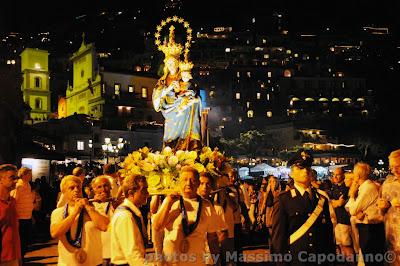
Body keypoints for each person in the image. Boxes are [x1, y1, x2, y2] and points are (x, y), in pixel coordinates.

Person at [271, 150, 335, 266]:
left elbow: (328, 234)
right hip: (295, 259)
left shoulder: (321, 199)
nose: (305, 171)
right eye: (300, 168)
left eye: (308, 168)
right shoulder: (283, 200)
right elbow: (278, 237)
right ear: (291, 173)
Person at [153, 166, 219, 265]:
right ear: (179, 182)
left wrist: (216, 261)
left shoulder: (206, 205)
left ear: (197, 183)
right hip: (172, 262)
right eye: (184, 180)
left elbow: (212, 237)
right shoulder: (170, 201)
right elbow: (157, 226)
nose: (188, 183)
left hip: (196, 262)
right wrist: (168, 204)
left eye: (192, 180)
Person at [152, 25, 202, 151]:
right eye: (169, 63)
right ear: (166, 65)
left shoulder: (184, 76)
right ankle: (171, 149)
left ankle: (188, 146)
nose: (171, 65)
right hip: (169, 112)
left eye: (173, 63)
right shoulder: (163, 80)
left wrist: (190, 98)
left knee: (189, 106)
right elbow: (157, 97)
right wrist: (168, 90)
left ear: (177, 63)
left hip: (183, 110)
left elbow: (192, 91)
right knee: (170, 137)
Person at [50, 175, 109, 266]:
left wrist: (88, 207)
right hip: (67, 263)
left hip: (94, 263)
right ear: (64, 192)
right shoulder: (58, 212)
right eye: (72, 188)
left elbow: (104, 226)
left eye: (78, 187)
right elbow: (55, 233)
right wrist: (74, 213)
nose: (76, 190)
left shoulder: (94, 208)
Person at [346, 162, 385, 266]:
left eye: (353, 173)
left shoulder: (368, 188)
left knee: (371, 260)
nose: (352, 175)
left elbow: (353, 210)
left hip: (371, 229)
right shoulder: (365, 187)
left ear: (358, 175)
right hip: (368, 227)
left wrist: (352, 195)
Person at [110, 174, 153, 265]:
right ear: (130, 193)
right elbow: (132, 254)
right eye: (144, 190)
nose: (148, 194)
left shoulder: (133, 212)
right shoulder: (125, 216)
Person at [377, 149, 400, 265]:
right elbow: (380, 211)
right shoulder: (387, 184)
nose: (395, 170)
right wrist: (382, 207)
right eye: (392, 167)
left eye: (399, 166)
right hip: (392, 238)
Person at [10, 167, 34, 258]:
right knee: (21, 241)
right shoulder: (18, 186)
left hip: (27, 216)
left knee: (26, 240)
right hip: (20, 218)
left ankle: (21, 258)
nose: (31, 176)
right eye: (29, 174)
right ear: (23, 175)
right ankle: (19, 259)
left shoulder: (27, 185)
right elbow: (13, 201)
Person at [330, 168, 354, 258]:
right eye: (334, 174)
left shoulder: (346, 187)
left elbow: (340, 203)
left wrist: (334, 202)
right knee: (340, 245)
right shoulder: (335, 187)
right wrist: (334, 202)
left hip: (344, 220)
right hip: (337, 220)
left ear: (343, 175)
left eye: (338, 174)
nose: (335, 177)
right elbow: (330, 202)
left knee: (346, 245)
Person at [91, 176, 115, 266]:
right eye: (99, 187)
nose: (103, 189)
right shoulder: (90, 206)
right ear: (94, 189)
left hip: (116, 251)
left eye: (106, 186)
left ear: (110, 187)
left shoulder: (116, 203)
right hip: (98, 253)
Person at [0, 164, 21, 266]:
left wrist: (19, 256)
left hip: (13, 257)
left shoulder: (12, 201)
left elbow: (14, 230)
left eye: (16, 178)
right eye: (12, 178)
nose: (16, 181)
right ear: (1, 179)